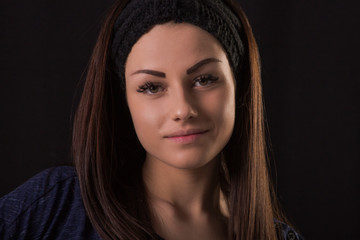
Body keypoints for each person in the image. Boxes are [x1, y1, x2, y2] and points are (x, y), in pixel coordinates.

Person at [0, 0, 303, 239]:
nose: (183, 109)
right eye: (151, 87)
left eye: (205, 79)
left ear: (238, 87)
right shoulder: (53, 208)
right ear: (124, 101)